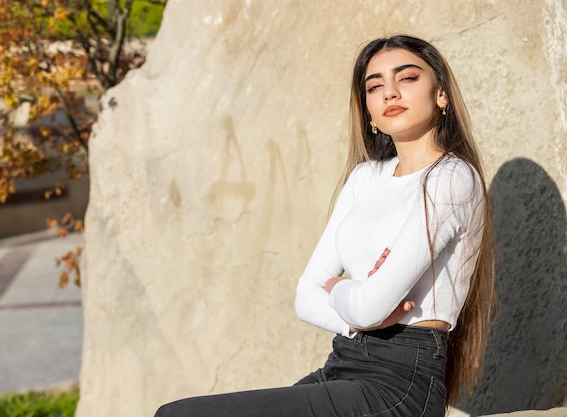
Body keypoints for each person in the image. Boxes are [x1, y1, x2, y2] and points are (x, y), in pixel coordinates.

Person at [154, 34, 495, 417]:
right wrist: (357, 298)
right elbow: (306, 296)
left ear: (442, 95)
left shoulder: (451, 179)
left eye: (408, 78)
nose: (390, 92)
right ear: (367, 109)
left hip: (398, 383)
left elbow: (364, 307)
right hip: (343, 364)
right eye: (375, 86)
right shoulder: (365, 177)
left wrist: (339, 288)